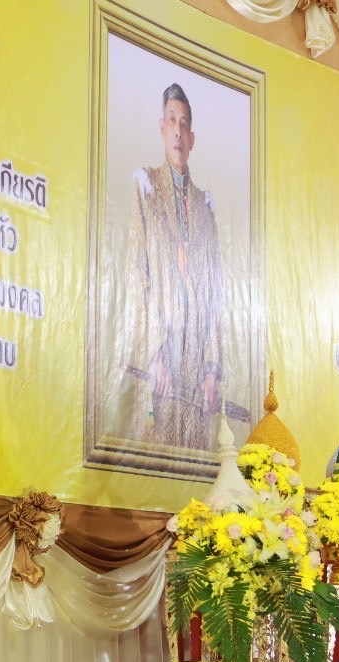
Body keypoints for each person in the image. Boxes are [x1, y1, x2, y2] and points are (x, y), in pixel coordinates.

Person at [122, 82, 225, 450]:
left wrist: (212, 370)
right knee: (157, 456)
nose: (178, 130)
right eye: (171, 120)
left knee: (197, 478)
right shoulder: (146, 186)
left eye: (184, 123)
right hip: (161, 359)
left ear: (192, 138)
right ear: (162, 128)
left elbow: (215, 295)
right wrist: (155, 354)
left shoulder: (204, 206)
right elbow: (137, 274)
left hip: (197, 368)